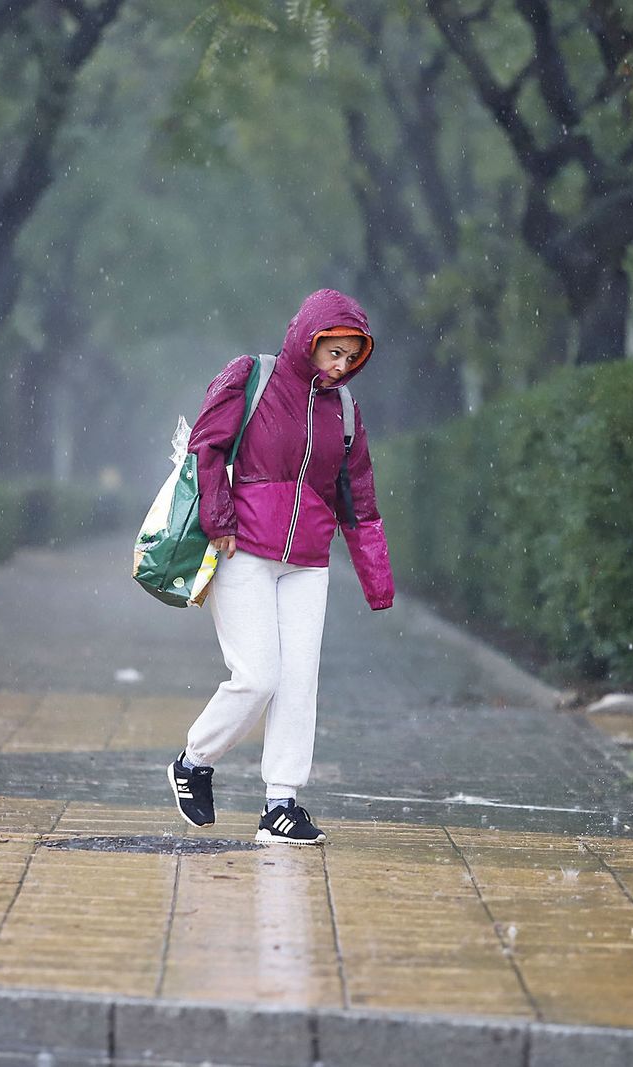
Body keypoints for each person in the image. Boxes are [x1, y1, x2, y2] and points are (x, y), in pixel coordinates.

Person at [167, 289, 394, 845]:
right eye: (333, 352)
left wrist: (377, 581)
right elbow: (206, 448)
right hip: (241, 548)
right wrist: (219, 520)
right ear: (308, 339)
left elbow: (358, 497)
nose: (340, 365)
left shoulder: (345, 411)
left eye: (351, 357)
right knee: (257, 677)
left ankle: (281, 804)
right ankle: (194, 761)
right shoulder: (253, 376)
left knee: (298, 683)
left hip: (308, 561)